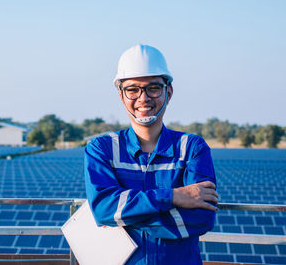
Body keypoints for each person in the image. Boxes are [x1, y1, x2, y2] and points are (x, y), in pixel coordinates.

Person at [84, 44, 218, 264]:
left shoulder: (193, 148)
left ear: (169, 91)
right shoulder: (101, 148)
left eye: (153, 87)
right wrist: (175, 196)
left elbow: (201, 218)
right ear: (121, 95)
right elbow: (103, 208)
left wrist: (126, 216)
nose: (143, 97)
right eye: (133, 89)